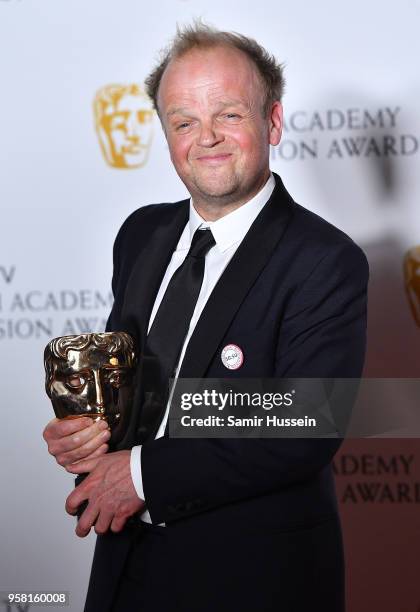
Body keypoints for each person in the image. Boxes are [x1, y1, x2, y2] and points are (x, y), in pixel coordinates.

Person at [43, 23, 369, 612]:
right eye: (184, 121)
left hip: (252, 578)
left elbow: (304, 420)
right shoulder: (141, 234)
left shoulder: (325, 259)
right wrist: (89, 434)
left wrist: (140, 475)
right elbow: (135, 392)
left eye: (230, 115)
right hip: (125, 568)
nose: (207, 138)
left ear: (271, 122)